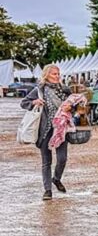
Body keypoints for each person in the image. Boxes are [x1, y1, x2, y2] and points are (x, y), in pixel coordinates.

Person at [20, 64, 71, 200]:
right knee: (46, 161)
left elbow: (75, 106)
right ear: (46, 75)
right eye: (54, 74)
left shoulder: (65, 90)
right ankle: (47, 190)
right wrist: (35, 102)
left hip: (61, 128)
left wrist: (70, 106)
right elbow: (23, 103)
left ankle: (56, 178)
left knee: (62, 158)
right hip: (45, 129)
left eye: (58, 74)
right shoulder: (39, 90)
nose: (57, 76)